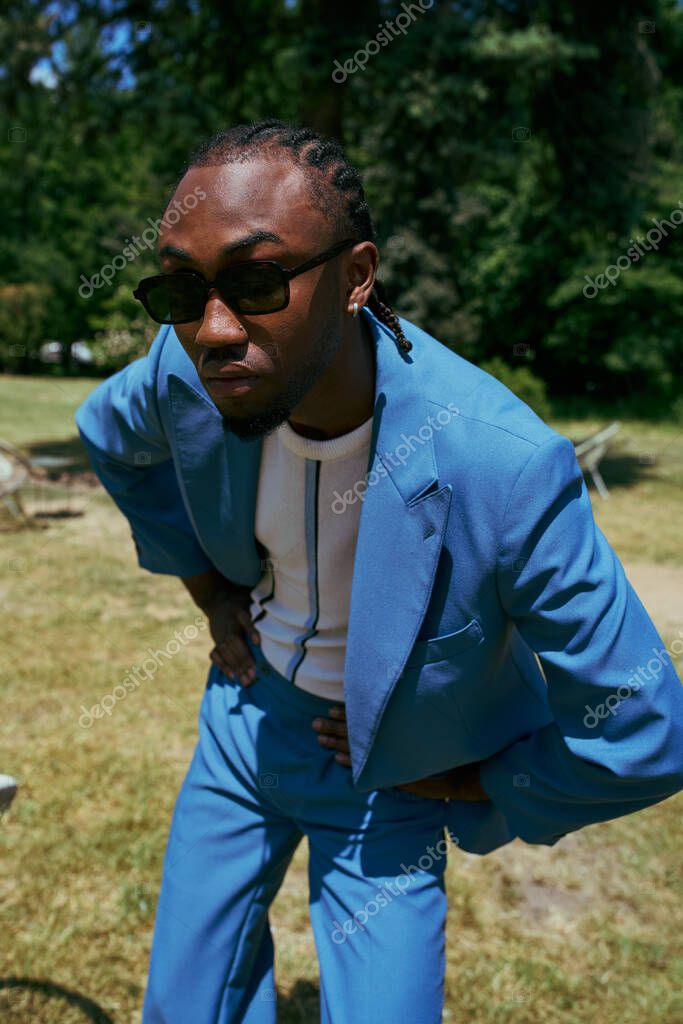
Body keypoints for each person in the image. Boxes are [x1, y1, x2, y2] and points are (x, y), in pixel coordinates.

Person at [75, 119, 683, 1024]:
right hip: (241, 726)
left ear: (356, 276)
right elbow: (106, 437)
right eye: (180, 288)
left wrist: (480, 780)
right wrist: (209, 590)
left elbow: (642, 725)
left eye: (254, 281)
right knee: (182, 1004)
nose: (210, 327)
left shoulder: (497, 463)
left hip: (387, 776)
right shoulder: (190, 370)